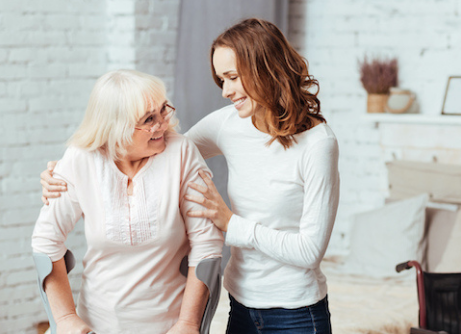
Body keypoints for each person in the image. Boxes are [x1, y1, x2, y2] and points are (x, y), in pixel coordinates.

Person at [41, 18, 339, 333]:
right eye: (220, 80)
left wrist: (230, 223)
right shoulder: (229, 123)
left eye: (232, 77)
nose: (225, 91)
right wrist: (67, 170)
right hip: (241, 304)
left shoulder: (319, 145)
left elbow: (309, 251)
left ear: (265, 68)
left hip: (296, 312)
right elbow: (160, 149)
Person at [32, 69, 224, 334]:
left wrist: (189, 324)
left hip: (170, 326)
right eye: (149, 119)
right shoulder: (80, 160)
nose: (163, 124)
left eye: (162, 111)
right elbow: (46, 240)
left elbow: (207, 246)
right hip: (96, 325)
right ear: (116, 127)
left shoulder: (181, 153)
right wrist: (65, 318)